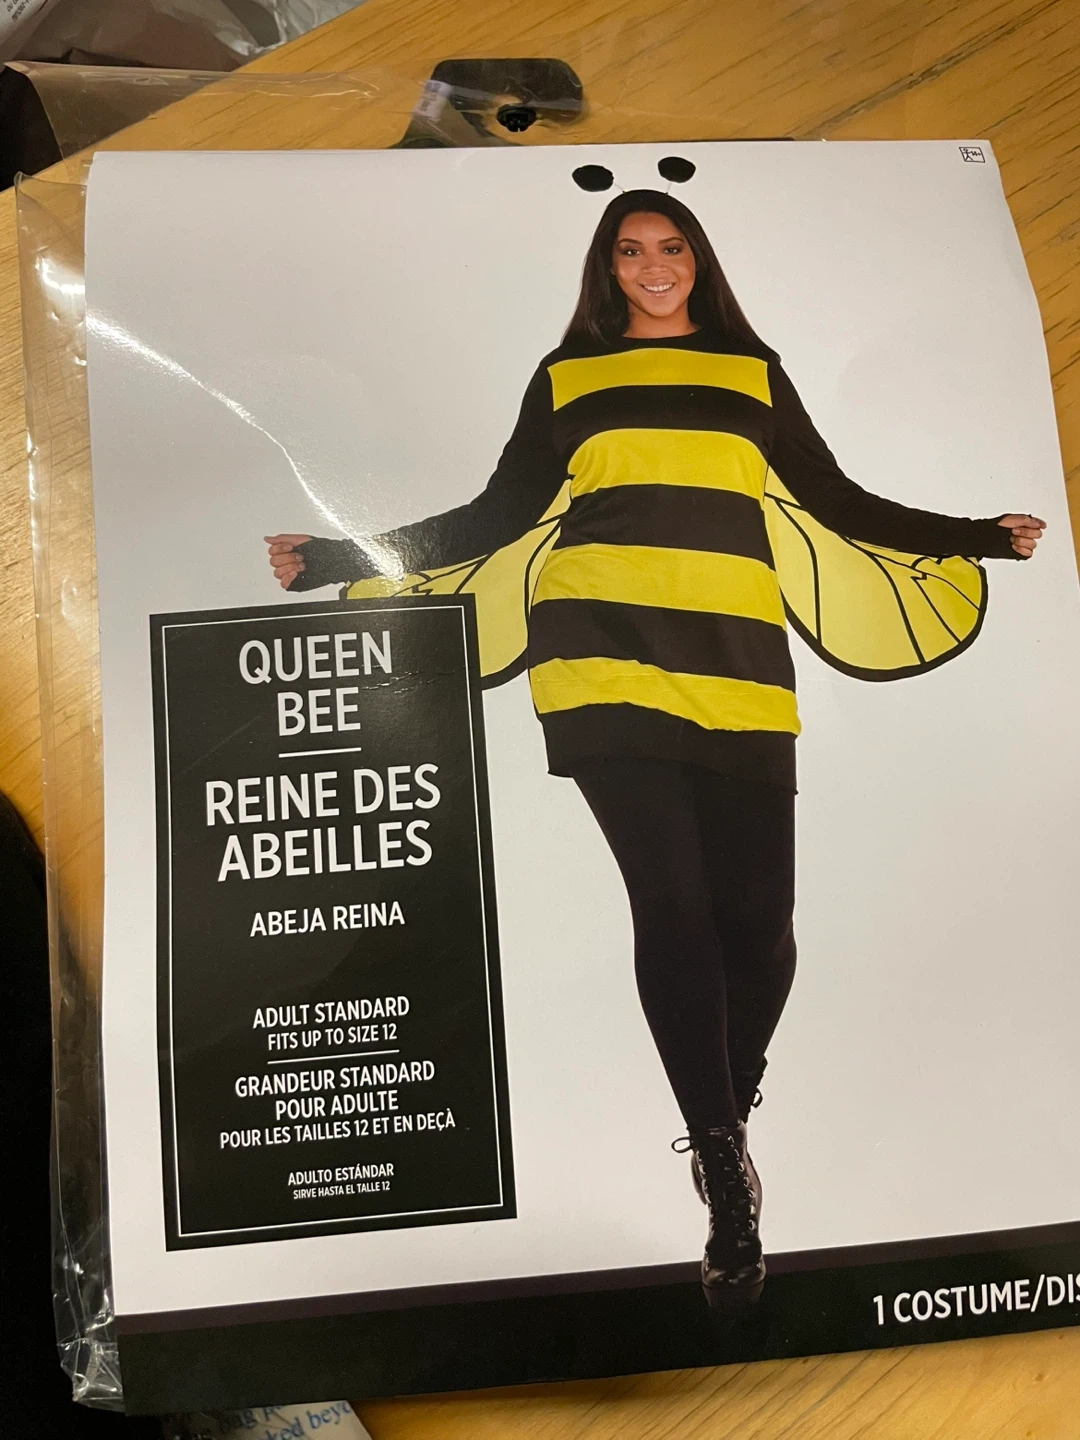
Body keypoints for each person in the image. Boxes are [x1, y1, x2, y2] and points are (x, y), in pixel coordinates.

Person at [265, 189, 1044, 1309]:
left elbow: (834, 499)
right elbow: (495, 516)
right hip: (599, 649)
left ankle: (727, 1105)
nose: (653, 266)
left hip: (738, 658)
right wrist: (343, 554)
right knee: (672, 905)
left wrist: (976, 537)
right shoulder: (567, 377)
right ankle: (724, 1172)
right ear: (608, 269)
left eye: (670, 247)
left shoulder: (751, 373)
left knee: (760, 925)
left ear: (698, 259)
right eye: (630, 251)